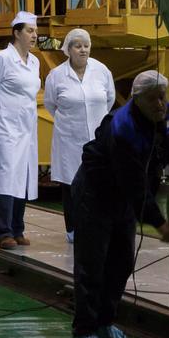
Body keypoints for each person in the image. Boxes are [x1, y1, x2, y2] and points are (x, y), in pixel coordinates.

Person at [70, 69, 169, 338]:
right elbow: (133, 182)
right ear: (137, 100)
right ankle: (84, 330)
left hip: (124, 198)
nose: (160, 104)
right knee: (92, 264)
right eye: (152, 99)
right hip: (96, 193)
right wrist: (159, 222)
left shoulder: (167, 115)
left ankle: (105, 322)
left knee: (121, 263)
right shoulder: (122, 127)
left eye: (162, 96)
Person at [42, 28, 115, 242]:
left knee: (100, 182)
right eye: (78, 46)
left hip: (98, 138)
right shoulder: (57, 75)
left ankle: (100, 226)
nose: (83, 50)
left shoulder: (102, 71)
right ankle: (73, 229)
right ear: (68, 49)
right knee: (71, 184)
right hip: (68, 138)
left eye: (86, 46)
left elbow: (109, 99)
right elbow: (50, 104)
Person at [0, 11, 40, 250]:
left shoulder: (34, 62)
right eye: (29, 31)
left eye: (35, 31)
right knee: (6, 176)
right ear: (16, 33)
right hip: (5, 125)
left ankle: (18, 228)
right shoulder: (1, 59)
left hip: (26, 127)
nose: (34, 35)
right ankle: (4, 232)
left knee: (22, 176)